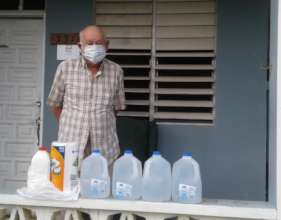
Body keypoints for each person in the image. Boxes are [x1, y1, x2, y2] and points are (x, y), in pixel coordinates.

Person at [47, 25, 125, 172]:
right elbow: (55, 104)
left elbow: (117, 108)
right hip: (69, 147)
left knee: (101, 191)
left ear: (106, 45)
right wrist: (71, 123)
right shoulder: (65, 68)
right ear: (80, 46)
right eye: (89, 43)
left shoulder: (116, 71)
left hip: (105, 150)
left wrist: (98, 121)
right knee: (67, 192)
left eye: (99, 43)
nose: (94, 47)